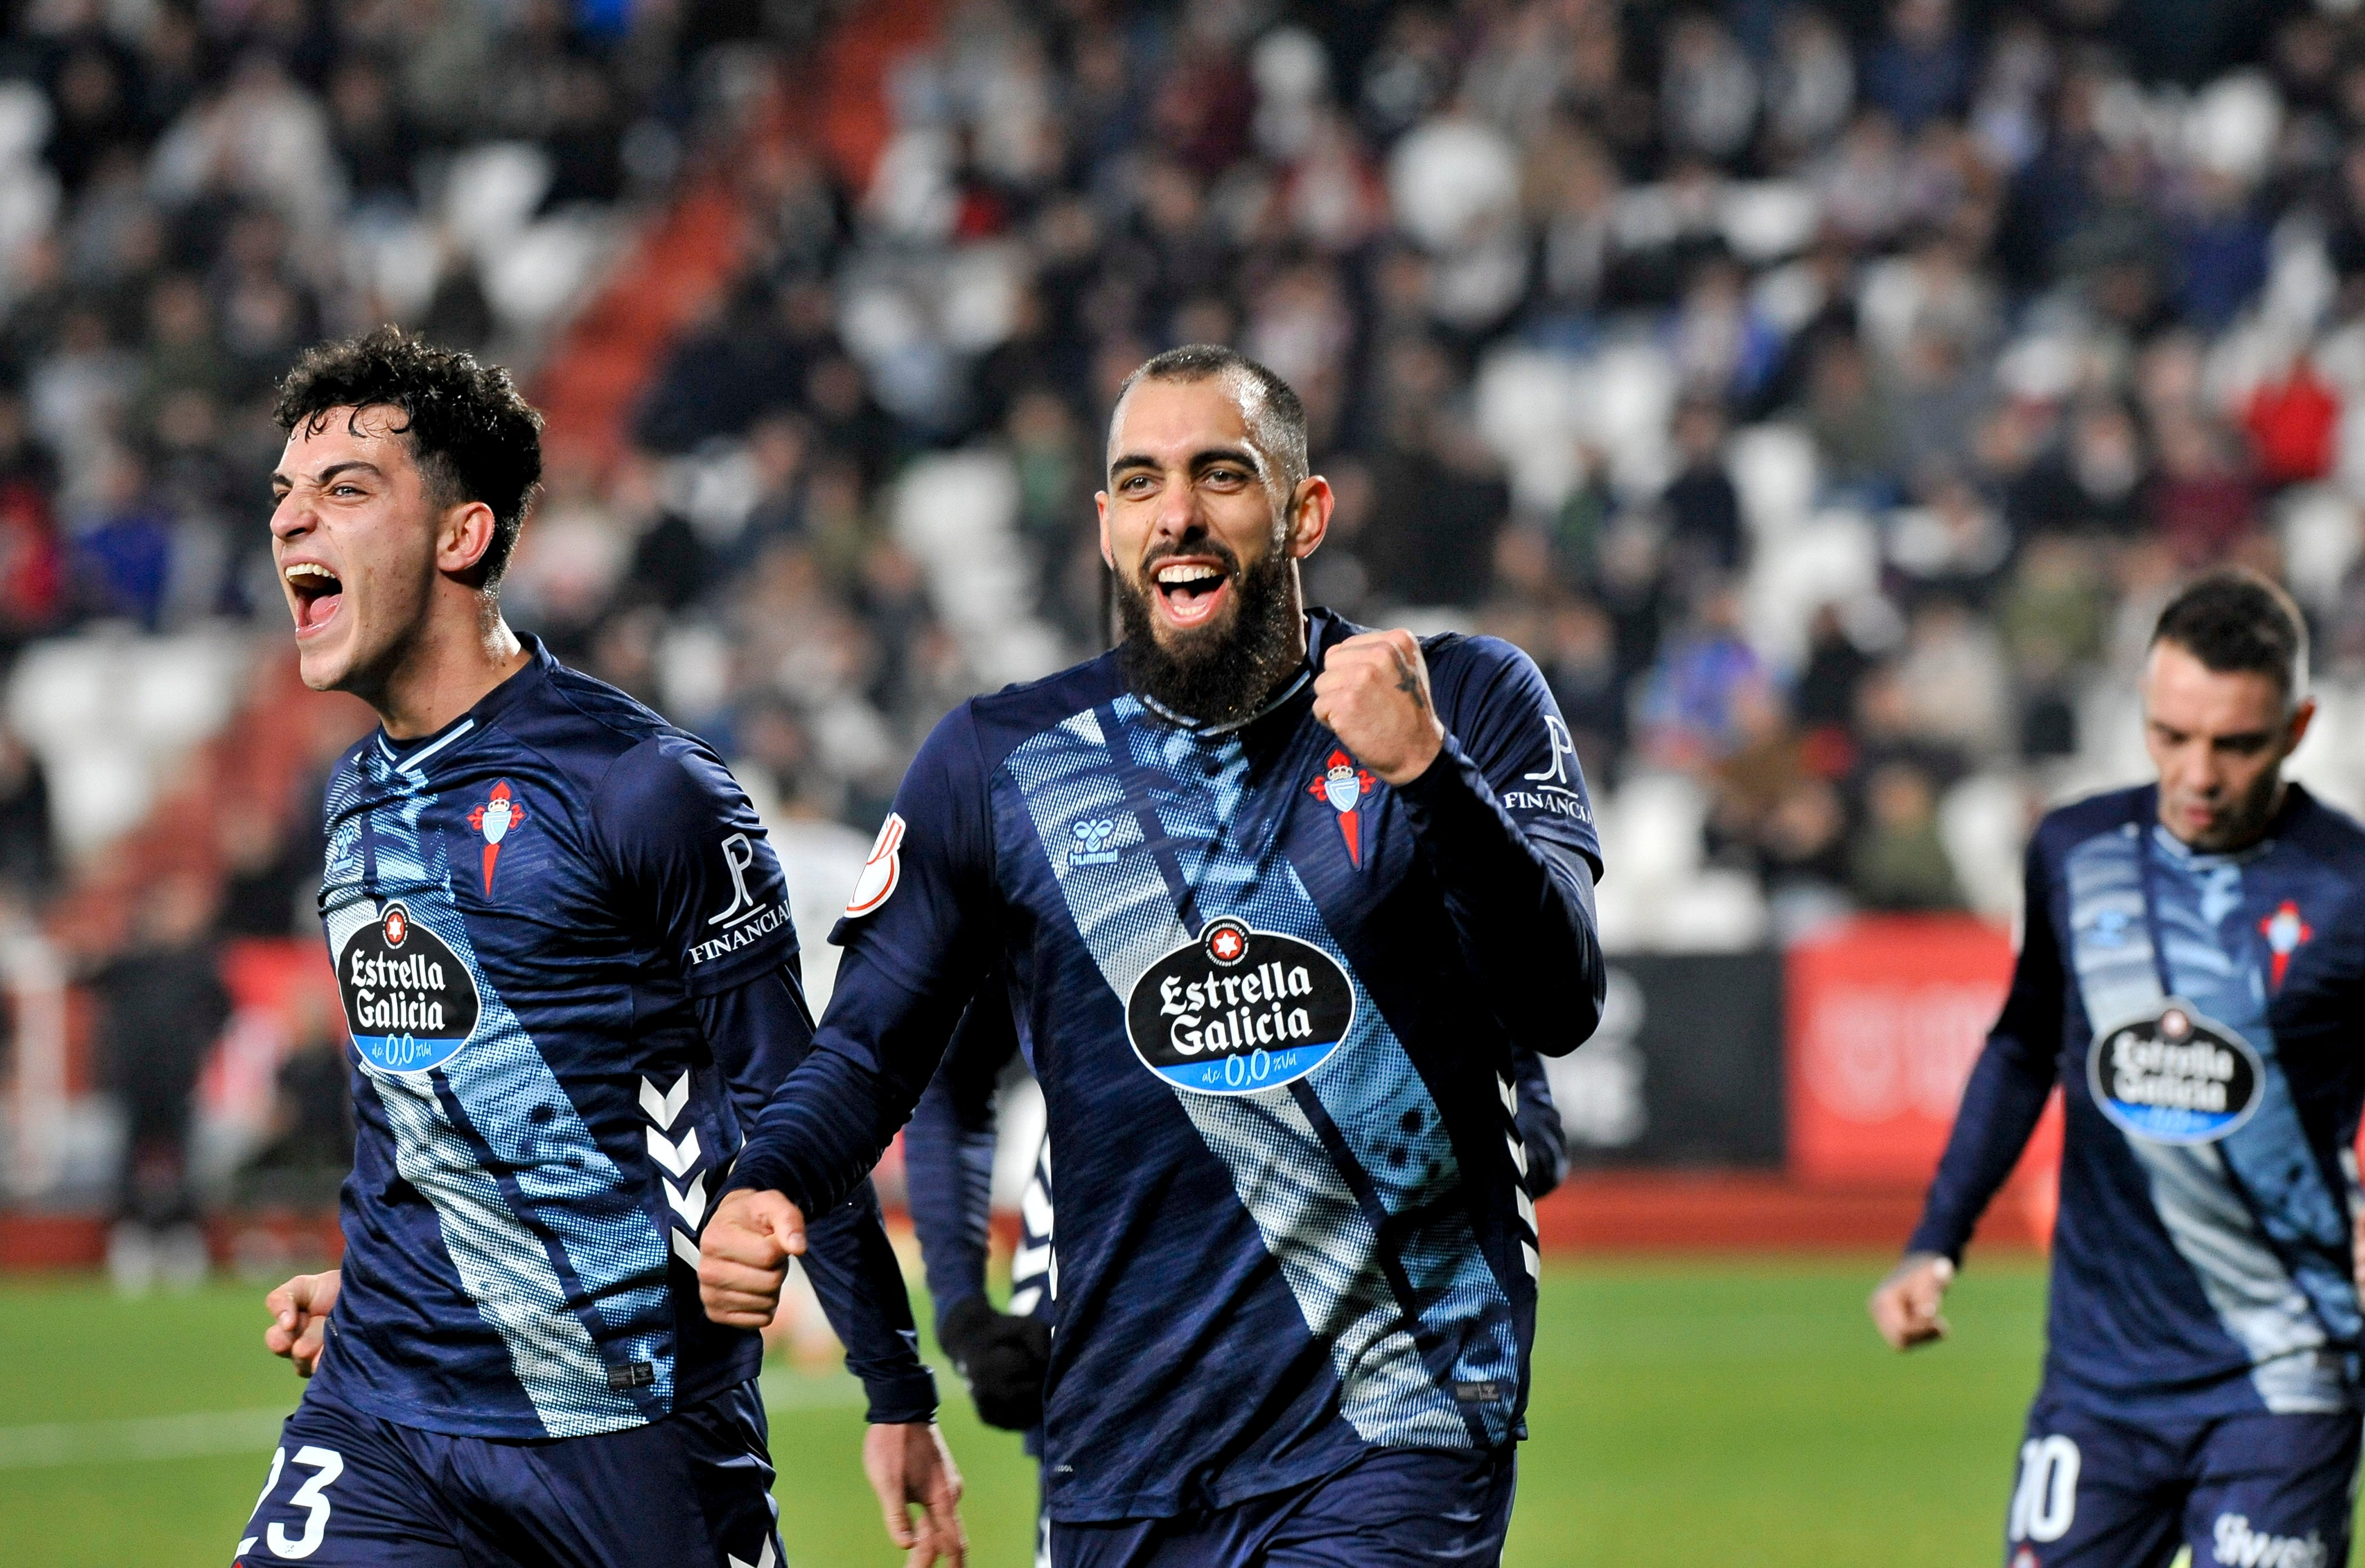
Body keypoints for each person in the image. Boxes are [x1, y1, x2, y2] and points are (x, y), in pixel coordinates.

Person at [698, 343, 1608, 1565]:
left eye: (1220, 475)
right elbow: (872, 1051)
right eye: (1140, 482)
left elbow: (1559, 998)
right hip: (1123, 1451)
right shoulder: (995, 763)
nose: (1176, 512)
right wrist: (768, 1181)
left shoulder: (1460, 697)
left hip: (1401, 1420)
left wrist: (1429, 774)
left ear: (1304, 512)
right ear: (1105, 526)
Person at [233, 328, 964, 1568]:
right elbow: (426, 1108)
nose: (292, 521)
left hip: (626, 1435)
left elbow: (795, 1096)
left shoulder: (639, 786)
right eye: (285, 494)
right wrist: (376, 1284)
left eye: (345, 490)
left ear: (463, 535)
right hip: (382, 1417)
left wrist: (893, 1388)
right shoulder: (354, 794)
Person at [1871, 569, 2365, 1568]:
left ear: (2299, 727)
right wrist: (1937, 1240)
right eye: (2170, 735)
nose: (2199, 774)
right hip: (2098, 1384)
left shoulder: (2349, 885)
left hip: (2285, 1371)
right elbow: (2022, 1047)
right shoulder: (2075, 849)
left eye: (2237, 744)